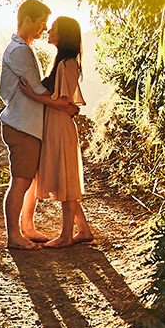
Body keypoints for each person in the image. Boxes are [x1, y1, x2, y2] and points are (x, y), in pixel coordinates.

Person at [0, 0, 78, 250]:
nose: (44, 29)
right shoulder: (19, 51)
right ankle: (14, 236)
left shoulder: (24, 48)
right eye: (41, 23)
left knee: (30, 180)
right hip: (21, 125)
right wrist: (65, 105)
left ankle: (27, 228)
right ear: (27, 20)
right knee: (21, 180)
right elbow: (36, 88)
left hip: (29, 125)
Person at [35, 15, 97, 246]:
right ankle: (83, 231)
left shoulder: (68, 63)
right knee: (66, 178)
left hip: (60, 125)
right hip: (55, 124)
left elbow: (65, 104)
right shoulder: (61, 62)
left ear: (64, 35)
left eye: (54, 29)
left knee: (65, 180)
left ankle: (65, 236)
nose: (49, 31)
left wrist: (33, 96)